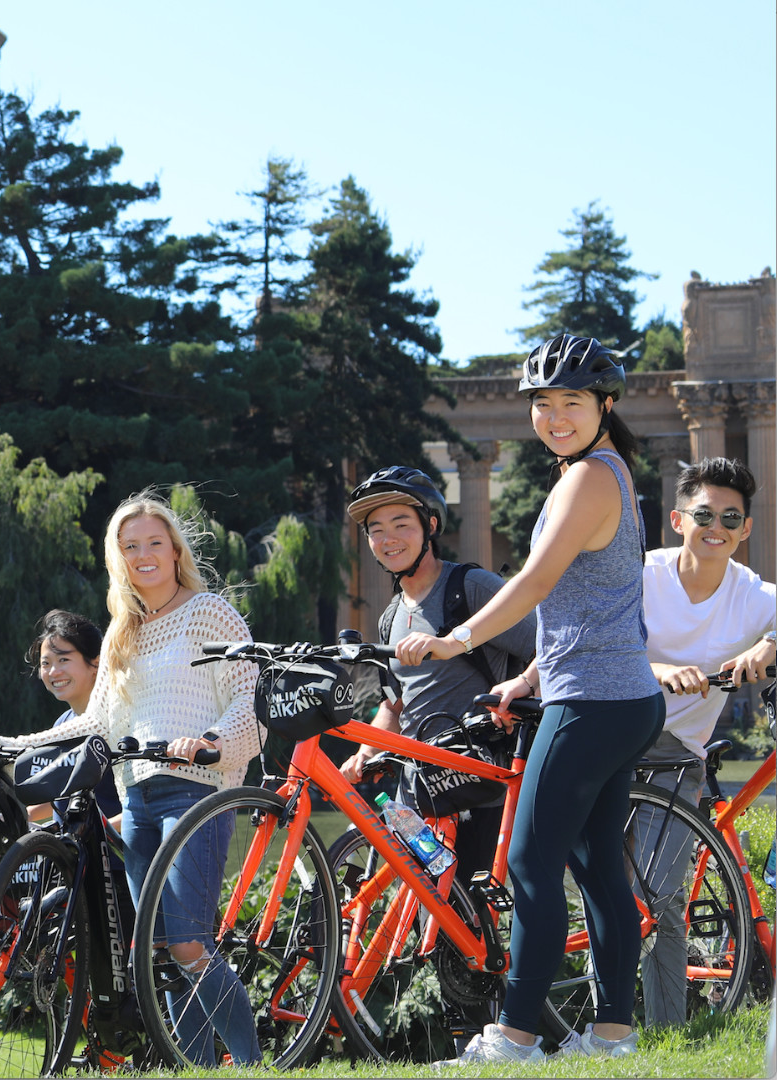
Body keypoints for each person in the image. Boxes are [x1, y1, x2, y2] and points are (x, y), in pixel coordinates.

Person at [398, 335, 665, 1063]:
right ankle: (611, 1035)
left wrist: (457, 640)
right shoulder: (603, 473)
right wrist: (533, 674)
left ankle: (513, 1038)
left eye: (570, 402)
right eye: (542, 404)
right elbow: (594, 604)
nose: (553, 416)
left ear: (605, 406)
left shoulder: (587, 479)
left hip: (594, 704)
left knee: (527, 863)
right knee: (596, 865)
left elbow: (537, 583)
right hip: (618, 695)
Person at [0, 490, 261, 1067]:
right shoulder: (122, 631)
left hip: (197, 791)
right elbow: (96, 723)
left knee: (189, 944)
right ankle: (199, 1068)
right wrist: (17, 745)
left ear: (174, 550)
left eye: (154, 544)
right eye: (130, 546)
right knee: (159, 949)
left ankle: (256, 1063)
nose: (143, 556)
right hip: (136, 798)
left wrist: (211, 742)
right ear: (118, 558)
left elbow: (246, 696)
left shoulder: (208, 612)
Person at [337, 466, 536, 881]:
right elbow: (395, 706)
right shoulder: (390, 616)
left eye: (400, 524)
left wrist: (523, 686)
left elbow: (550, 645)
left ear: (430, 525)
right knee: (424, 916)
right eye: (376, 530)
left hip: (477, 783)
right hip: (418, 791)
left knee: (468, 919)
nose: (388, 538)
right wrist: (365, 753)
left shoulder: (471, 587)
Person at [636, 457, 774, 1027]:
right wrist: (661, 668)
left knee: (659, 897)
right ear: (677, 519)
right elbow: (587, 641)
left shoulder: (754, 595)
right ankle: (591, 1026)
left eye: (730, 517)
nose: (715, 526)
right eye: (703, 514)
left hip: (673, 754)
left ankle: (661, 1032)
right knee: (588, 890)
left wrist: (770, 646)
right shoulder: (641, 574)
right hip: (601, 736)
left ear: (745, 531)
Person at [25, 609, 122, 824]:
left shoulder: (120, 720)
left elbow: (142, 809)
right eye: (46, 663)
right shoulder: (63, 723)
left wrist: (97, 833)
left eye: (63, 660)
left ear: (96, 663)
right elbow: (61, 791)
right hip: (75, 855)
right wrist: (24, 817)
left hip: (118, 855)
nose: (53, 672)